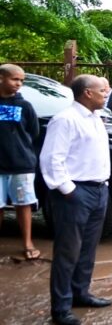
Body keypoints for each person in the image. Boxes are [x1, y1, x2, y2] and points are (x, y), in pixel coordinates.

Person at [39, 74, 112, 325]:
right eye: (102, 89)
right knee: (67, 252)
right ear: (87, 93)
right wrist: (69, 190)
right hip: (75, 193)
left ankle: (80, 293)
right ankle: (60, 308)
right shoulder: (65, 119)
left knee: (88, 249)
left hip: (99, 190)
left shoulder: (95, 118)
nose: (107, 92)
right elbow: (51, 160)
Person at [0, 64, 41, 261]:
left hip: (21, 164)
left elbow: (33, 132)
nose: (18, 84)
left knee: (23, 204)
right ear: (1, 78)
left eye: (21, 81)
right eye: (14, 79)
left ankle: (27, 242)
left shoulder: (25, 106)